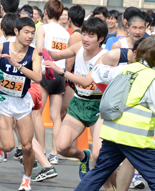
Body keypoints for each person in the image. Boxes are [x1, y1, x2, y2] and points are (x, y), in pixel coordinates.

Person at [64, 37, 155, 191]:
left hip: (112, 131)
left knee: (100, 170)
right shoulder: (153, 78)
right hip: (135, 137)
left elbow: (100, 72)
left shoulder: (125, 69)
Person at [0, 17, 42, 191]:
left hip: (22, 102)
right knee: (8, 146)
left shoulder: (33, 53)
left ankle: (26, 178)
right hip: (3, 101)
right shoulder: (3, 48)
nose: (30, 36)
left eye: (32, 33)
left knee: (27, 145)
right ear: (16, 32)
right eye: (26, 32)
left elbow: (38, 78)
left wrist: (18, 66)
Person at [44, 17, 108, 181]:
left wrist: (61, 72)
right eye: (84, 34)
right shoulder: (78, 46)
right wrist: (41, 50)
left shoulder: (104, 57)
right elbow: (56, 55)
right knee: (61, 147)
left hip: (97, 106)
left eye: (91, 36)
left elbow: (87, 81)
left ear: (100, 38)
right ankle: (83, 157)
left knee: (98, 154)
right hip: (78, 103)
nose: (85, 38)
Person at [34, 0, 69, 159]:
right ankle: (55, 152)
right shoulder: (65, 33)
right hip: (60, 74)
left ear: (46, 12)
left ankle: (41, 150)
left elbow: (39, 49)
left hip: (45, 72)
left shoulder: (42, 28)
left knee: (37, 113)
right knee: (56, 116)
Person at [59, 5, 85, 144]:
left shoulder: (75, 36)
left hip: (72, 77)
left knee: (70, 113)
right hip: (79, 77)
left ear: (70, 19)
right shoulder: (84, 35)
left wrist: (65, 79)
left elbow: (69, 62)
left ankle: (71, 146)